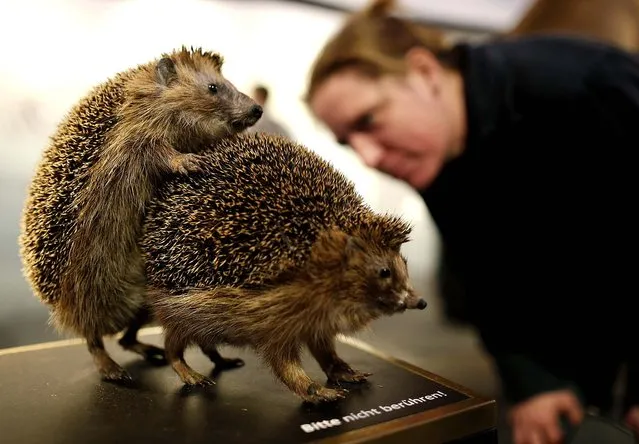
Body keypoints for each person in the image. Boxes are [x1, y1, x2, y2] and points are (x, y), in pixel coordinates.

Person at [303, 0, 638, 443]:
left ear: (423, 72)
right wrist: (534, 381)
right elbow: (486, 272)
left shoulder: (584, 87)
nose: (369, 156)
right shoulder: (433, 150)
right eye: (349, 142)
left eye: (369, 120)